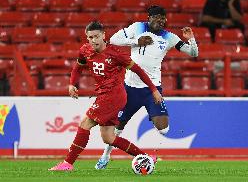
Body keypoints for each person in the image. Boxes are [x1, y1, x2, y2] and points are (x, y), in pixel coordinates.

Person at [48, 21, 163, 171]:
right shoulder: (85, 50)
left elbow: (139, 70)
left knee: (85, 124)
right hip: (103, 94)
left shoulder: (115, 53)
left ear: (103, 35)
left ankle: (68, 163)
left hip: (114, 95)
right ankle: (146, 157)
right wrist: (72, 84)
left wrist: (153, 89)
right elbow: (77, 68)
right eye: (90, 37)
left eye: (96, 36)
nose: (93, 40)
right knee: (108, 137)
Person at [95, 5, 198, 169]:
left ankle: (152, 134)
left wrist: (190, 38)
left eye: (163, 18)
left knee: (164, 129)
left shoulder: (169, 37)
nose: (160, 20)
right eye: (156, 17)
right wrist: (136, 41)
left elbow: (193, 53)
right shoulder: (138, 27)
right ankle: (105, 155)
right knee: (118, 127)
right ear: (149, 18)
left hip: (152, 90)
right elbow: (113, 40)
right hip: (130, 88)